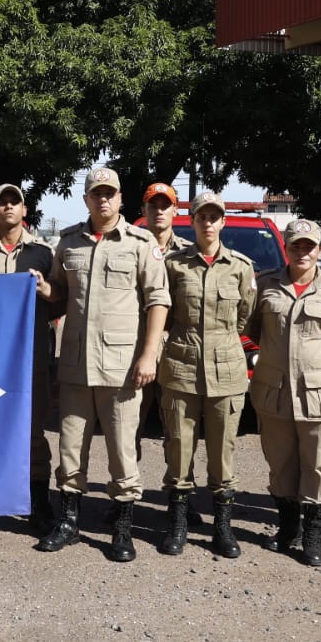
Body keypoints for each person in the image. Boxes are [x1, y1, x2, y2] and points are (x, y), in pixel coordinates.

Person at [36, 167, 170, 563]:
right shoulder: (69, 242)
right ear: (86, 199)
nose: (103, 200)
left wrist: (148, 355)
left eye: (110, 193)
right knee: (70, 449)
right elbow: (60, 293)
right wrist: (46, 289)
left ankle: (122, 528)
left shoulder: (140, 242)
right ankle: (69, 522)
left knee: (121, 450)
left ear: (120, 199)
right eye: (96, 193)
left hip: (122, 366)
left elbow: (158, 301)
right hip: (76, 364)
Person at [244, 219, 321, 567]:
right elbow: (255, 331)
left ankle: (313, 535)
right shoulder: (265, 286)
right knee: (281, 465)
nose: (302, 252)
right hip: (276, 393)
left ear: (319, 250)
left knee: (320, 466)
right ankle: (287, 528)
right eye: (296, 245)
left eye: (309, 246)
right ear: (287, 248)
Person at [156, 190, 256, 559]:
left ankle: (222, 527)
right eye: (202, 217)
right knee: (179, 449)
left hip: (227, 370)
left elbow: (246, 316)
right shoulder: (174, 265)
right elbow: (162, 310)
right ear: (193, 221)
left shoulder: (241, 267)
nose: (209, 223)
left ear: (223, 222)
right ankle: (178, 523)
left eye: (215, 217)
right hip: (182, 367)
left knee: (222, 452)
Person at [0, 183, 61, 536]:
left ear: (25, 210)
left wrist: (47, 289)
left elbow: (62, 300)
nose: (8, 207)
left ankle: (38, 503)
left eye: (15, 202)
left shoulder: (44, 252)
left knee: (32, 430)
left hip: (31, 356)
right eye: (1, 202)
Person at [137, 182, 189, 454]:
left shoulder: (188, 254)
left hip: (176, 347)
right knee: (129, 423)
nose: (159, 211)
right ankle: (125, 490)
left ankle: (176, 490)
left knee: (177, 427)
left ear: (175, 210)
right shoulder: (129, 248)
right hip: (135, 345)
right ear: (143, 210)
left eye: (165, 206)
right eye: (152, 206)